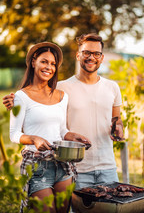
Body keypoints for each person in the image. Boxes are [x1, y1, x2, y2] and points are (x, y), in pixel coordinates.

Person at [3, 33, 124, 191]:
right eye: (87, 52)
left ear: (101, 58)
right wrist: (16, 102)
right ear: (78, 55)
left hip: (108, 167)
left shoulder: (113, 87)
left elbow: (116, 120)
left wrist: (118, 128)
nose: (91, 57)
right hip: (76, 166)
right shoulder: (61, 88)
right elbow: (38, 101)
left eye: (96, 54)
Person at [7, 42, 90, 213]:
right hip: (37, 166)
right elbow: (14, 134)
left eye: (53, 64)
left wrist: (73, 136)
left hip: (62, 164)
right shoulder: (21, 96)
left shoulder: (61, 96)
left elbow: (61, 131)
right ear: (33, 63)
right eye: (44, 62)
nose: (49, 67)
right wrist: (34, 139)